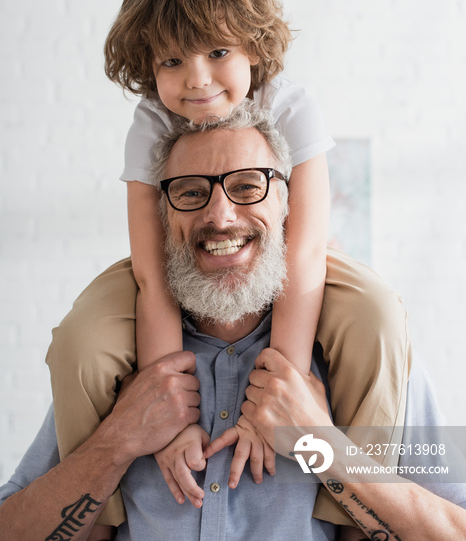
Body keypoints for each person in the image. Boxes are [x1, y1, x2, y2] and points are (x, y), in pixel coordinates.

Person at [45, 0, 410, 526]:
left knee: (377, 316)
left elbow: (306, 248)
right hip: (173, 258)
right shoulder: (150, 124)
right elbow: (151, 269)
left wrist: (277, 402)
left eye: (218, 52)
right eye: (172, 61)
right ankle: (98, 520)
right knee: (80, 343)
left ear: (255, 48)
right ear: (148, 67)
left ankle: (355, 513)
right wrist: (171, 424)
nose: (197, 79)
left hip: (293, 251)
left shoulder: (290, 105)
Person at [1, 103, 465, 541]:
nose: (220, 216)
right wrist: (117, 441)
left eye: (247, 187)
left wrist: (324, 448)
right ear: (163, 219)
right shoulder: (116, 370)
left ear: (287, 207)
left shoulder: (365, 353)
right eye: (190, 192)